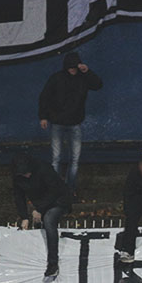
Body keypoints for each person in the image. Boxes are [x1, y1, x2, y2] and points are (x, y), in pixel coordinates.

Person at [38, 52, 103, 189]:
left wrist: (87, 71)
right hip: (57, 123)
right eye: (70, 67)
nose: (73, 70)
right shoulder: (56, 78)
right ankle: (56, 189)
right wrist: (43, 117)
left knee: (74, 160)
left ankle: (70, 189)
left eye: (75, 67)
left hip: (75, 123)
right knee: (56, 159)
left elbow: (98, 85)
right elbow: (45, 97)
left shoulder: (83, 78)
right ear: (66, 67)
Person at [12, 153, 74, 282]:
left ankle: (53, 263)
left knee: (49, 220)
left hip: (59, 200)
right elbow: (19, 197)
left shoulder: (43, 169)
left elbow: (55, 190)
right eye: (24, 175)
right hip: (41, 203)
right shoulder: (18, 177)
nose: (27, 176)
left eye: (28, 173)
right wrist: (24, 216)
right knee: (41, 222)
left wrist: (39, 209)